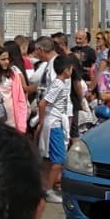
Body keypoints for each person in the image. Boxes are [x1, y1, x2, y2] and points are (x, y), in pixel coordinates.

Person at [36, 54, 73, 199]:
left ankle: (48, 187)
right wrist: (41, 122)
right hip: (54, 124)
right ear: (66, 70)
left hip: (56, 122)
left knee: (54, 158)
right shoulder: (58, 84)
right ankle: (49, 190)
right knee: (58, 160)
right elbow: (43, 103)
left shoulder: (60, 83)